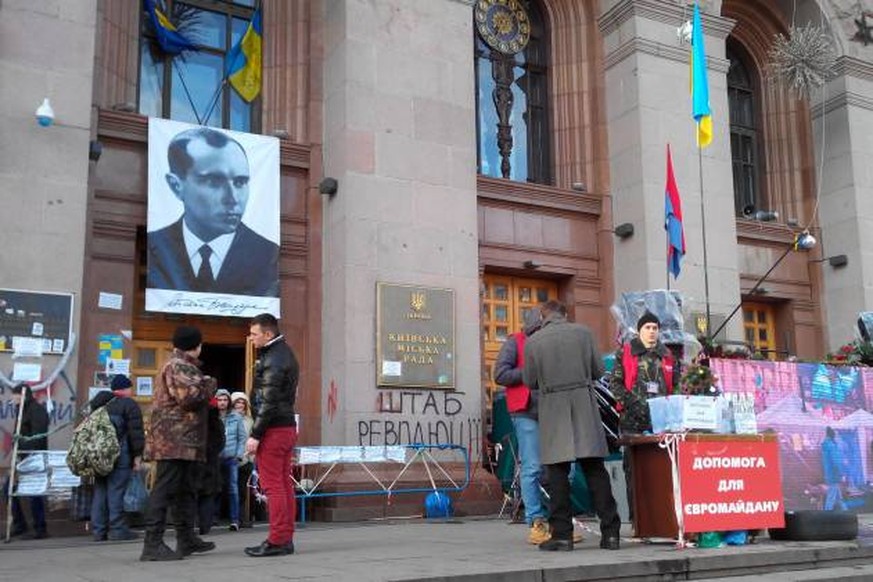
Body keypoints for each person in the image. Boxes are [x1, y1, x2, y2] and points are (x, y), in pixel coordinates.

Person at [522, 300, 621, 552]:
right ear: (565, 314)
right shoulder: (584, 333)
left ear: (543, 317)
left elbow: (530, 381)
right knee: (595, 470)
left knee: (557, 474)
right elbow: (599, 371)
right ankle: (611, 534)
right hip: (583, 405)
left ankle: (562, 536)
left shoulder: (534, 341)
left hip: (553, 407)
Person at [147, 126, 279, 296]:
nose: (232, 198)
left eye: (240, 182)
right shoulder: (156, 245)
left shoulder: (267, 255)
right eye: (214, 182)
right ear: (176, 186)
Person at [140, 325, 217, 561]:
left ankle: (186, 538)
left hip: (180, 441)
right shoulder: (180, 366)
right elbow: (190, 399)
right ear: (197, 346)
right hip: (175, 441)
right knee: (163, 490)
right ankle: (152, 544)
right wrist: (210, 384)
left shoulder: (175, 364)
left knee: (185, 490)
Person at [610, 312, 677, 522]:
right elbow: (615, 384)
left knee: (662, 471)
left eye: (655, 328)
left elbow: (675, 385)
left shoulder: (666, 355)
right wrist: (632, 404)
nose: (651, 331)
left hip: (661, 422)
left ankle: (662, 519)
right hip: (632, 421)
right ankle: (637, 521)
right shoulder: (626, 352)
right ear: (639, 330)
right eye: (647, 327)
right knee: (634, 472)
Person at [245, 313, 299, 557]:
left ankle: (277, 540)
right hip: (285, 426)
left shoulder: (273, 358)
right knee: (284, 484)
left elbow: (268, 401)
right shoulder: (283, 353)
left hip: (273, 429)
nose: (251, 338)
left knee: (273, 485)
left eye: (255, 334)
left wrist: (255, 434)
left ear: (268, 334)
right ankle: (285, 537)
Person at [493, 309, 550, 544]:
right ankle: (535, 520)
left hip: (552, 411)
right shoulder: (514, 342)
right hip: (525, 412)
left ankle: (559, 520)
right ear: (533, 327)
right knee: (532, 467)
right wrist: (528, 373)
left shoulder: (552, 341)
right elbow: (500, 374)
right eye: (540, 329)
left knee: (561, 467)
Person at [90, 375, 145, 541]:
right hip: (121, 455)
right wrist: (137, 457)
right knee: (116, 491)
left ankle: (99, 531)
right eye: (130, 387)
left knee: (100, 492)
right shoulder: (129, 404)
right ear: (125, 388)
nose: (131, 391)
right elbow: (136, 434)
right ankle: (118, 529)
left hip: (99, 456)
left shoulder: (99, 404)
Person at [6, 383, 49, 539]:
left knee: (33, 492)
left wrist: (20, 443)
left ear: (22, 395)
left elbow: (38, 438)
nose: (12, 398)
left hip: (33, 458)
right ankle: (20, 524)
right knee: (8, 490)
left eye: (14, 395)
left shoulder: (37, 411)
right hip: (21, 457)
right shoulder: (21, 410)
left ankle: (40, 527)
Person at [216, 388, 247, 531]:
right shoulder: (211, 417)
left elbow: (242, 438)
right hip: (215, 458)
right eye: (219, 400)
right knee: (214, 488)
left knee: (233, 489)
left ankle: (234, 520)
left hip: (231, 457)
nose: (222, 403)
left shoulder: (236, 417)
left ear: (229, 402)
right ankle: (212, 518)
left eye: (225, 400)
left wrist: (239, 454)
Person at [195, 397, 225, 536]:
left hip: (195, 461)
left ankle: (189, 526)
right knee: (208, 496)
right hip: (211, 462)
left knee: (192, 495)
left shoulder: (194, 421)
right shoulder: (217, 422)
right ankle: (205, 527)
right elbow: (221, 442)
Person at [231, 391, 256, 527]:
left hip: (246, 459)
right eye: (237, 402)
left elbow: (252, 438)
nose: (240, 405)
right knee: (228, 489)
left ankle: (240, 518)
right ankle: (226, 518)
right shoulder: (227, 418)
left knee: (241, 490)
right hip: (230, 458)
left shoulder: (249, 420)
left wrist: (250, 456)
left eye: (242, 402)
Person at [821, 427, 846, 511]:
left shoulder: (825, 445)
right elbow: (836, 462)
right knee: (831, 497)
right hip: (834, 474)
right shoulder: (831, 445)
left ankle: (844, 509)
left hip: (829, 473)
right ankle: (827, 514)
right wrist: (841, 473)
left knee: (838, 496)